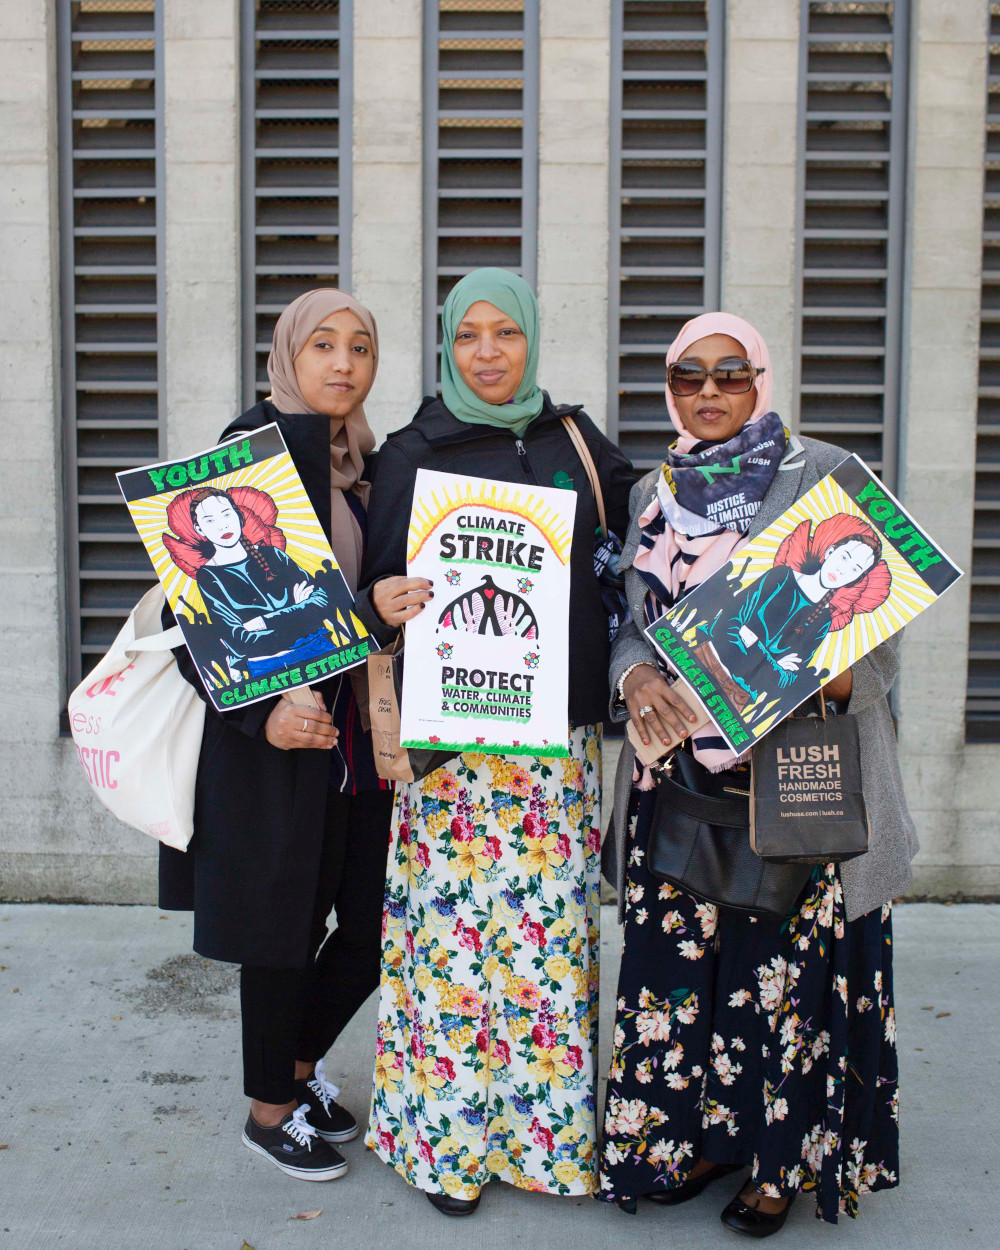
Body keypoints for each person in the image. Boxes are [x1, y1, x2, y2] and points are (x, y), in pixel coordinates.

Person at [599, 312, 914, 1235]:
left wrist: (833, 662)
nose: (709, 392)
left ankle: (778, 1166)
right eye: (689, 375)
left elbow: (885, 639)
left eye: (730, 374)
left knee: (786, 987)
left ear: (761, 381)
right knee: (683, 978)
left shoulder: (822, 476)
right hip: (679, 784)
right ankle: (697, 1140)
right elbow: (631, 617)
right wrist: (634, 672)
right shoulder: (652, 493)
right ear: (669, 386)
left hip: (799, 779)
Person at [357, 268, 636, 1215]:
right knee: (453, 954)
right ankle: (448, 1147)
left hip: (552, 747)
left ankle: (539, 1146)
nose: (487, 352)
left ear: (531, 340)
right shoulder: (411, 452)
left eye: (505, 334)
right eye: (469, 334)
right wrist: (382, 607)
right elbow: (380, 593)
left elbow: (638, 542)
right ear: (447, 343)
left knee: (544, 950)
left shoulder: (574, 442)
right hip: (454, 754)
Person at [158, 289, 394, 1181]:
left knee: (370, 923)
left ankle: (293, 1072)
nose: (341, 363)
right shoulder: (243, 457)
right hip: (272, 748)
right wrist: (263, 714)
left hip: (352, 745)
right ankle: (268, 1112)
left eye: (360, 347)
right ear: (287, 356)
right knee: (283, 930)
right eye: (323, 345)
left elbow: (339, 617)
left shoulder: (360, 462)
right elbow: (193, 627)